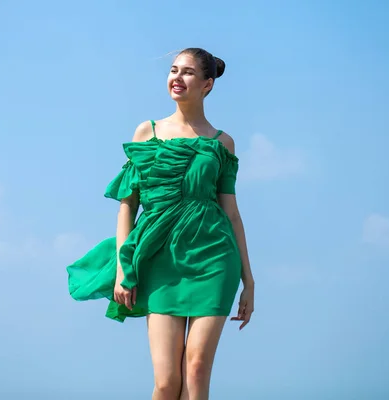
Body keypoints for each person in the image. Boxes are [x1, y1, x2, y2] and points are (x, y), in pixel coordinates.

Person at [66, 47, 255, 399]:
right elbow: (127, 207)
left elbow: (231, 213)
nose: (177, 78)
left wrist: (249, 279)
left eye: (187, 72)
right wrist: (124, 269)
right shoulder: (147, 132)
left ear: (207, 84)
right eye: (173, 70)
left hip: (213, 259)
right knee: (167, 383)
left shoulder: (221, 143)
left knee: (196, 370)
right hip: (158, 259)